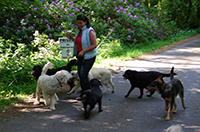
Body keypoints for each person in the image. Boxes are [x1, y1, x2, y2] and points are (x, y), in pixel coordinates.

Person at [67, 14, 98, 99]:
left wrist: (84, 51)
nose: (79, 25)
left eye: (81, 23)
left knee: (84, 75)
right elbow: (79, 42)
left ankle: (88, 94)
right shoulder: (79, 31)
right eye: (78, 23)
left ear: (85, 22)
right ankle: (84, 93)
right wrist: (71, 38)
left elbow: (94, 45)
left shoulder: (90, 31)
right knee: (80, 75)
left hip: (89, 56)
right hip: (80, 56)